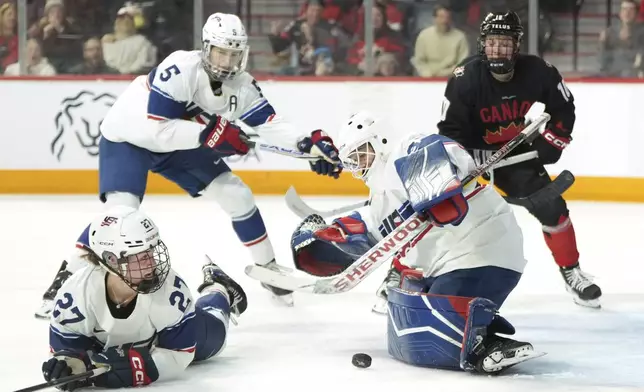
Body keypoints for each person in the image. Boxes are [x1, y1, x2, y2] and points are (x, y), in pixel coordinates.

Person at [35, 12, 341, 318]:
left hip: (181, 143)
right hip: (129, 138)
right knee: (119, 216)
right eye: (221, 51)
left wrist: (307, 143)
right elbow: (159, 129)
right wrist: (212, 133)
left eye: (234, 54)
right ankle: (65, 279)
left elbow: (271, 124)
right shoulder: (180, 67)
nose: (227, 61)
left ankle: (268, 268)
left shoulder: (242, 86)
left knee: (237, 195)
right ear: (206, 48)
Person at [288, 111, 542, 373]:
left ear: (382, 141)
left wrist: (434, 181)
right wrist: (329, 241)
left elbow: (449, 151)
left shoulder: (406, 150)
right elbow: (369, 235)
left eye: (361, 152)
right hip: (447, 264)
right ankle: (480, 329)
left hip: (483, 250)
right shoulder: (380, 202)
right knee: (411, 333)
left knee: (440, 340)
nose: (357, 163)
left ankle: (486, 345)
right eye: (351, 160)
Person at [436, 11, 601, 308]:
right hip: (469, 157)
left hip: (513, 154)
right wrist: (460, 164)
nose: (498, 49)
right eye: (492, 42)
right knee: (440, 214)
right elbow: (449, 132)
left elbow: (564, 107)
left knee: (553, 208)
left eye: (505, 42)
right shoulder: (466, 78)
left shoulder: (538, 71)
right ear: (482, 44)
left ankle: (572, 272)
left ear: (517, 46)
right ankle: (401, 274)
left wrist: (552, 140)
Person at [42, 206, 248, 390]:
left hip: (166, 337)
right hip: (122, 340)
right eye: (140, 257)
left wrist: (140, 368)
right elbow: (67, 353)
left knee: (216, 332)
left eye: (150, 252)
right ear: (111, 260)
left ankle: (219, 288)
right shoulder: (75, 295)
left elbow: (180, 354)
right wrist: (68, 365)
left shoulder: (171, 291)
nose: (152, 264)